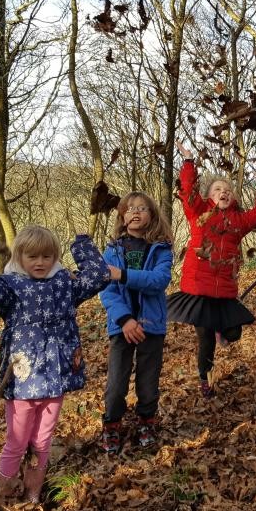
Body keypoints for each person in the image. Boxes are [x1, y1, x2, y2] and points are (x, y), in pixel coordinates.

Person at [0, 226, 109, 499]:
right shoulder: (10, 286)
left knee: (42, 440)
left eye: (46, 256)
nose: (40, 262)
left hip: (55, 379)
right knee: (17, 441)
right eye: (32, 256)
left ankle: (33, 492)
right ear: (19, 257)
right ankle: (6, 493)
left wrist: (81, 242)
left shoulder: (63, 284)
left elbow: (99, 275)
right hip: (23, 380)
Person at [166, 141, 256, 398]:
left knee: (234, 332)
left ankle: (220, 332)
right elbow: (188, 191)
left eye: (227, 190)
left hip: (224, 289)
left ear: (233, 197)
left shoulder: (238, 220)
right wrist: (189, 162)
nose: (223, 192)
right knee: (205, 341)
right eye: (217, 189)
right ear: (209, 195)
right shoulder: (199, 212)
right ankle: (205, 380)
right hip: (199, 288)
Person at [97, 193, 174, 455]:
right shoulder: (113, 250)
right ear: (122, 216)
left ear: (152, 215)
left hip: (152, 324)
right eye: (130, 209)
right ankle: (112, 425)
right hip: (121, 327)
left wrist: (124, 275)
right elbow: (107, 289)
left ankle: (146, 423)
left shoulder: (161, 249)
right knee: (117, 383)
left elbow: (158, 280)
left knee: (148, 382)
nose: (136, 213)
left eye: (142, 208)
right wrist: (125, 319)